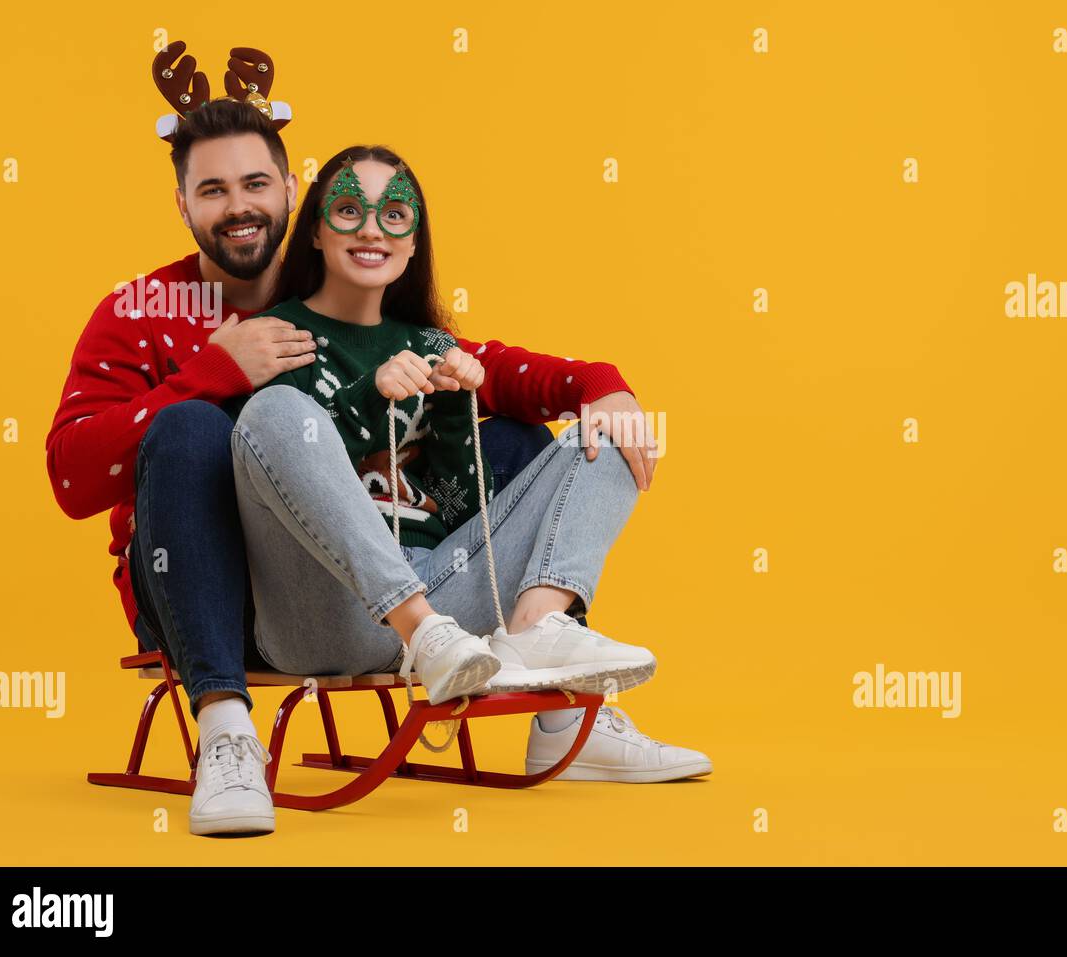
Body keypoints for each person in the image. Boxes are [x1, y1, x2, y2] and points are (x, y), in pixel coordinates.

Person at [44, 47, 707, 838]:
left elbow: (494, 369)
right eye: (212, 189)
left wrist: (602, 385)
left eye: (256, 183)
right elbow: (74, 479)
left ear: (294, 194)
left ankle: (559, 698)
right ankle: (225, 727)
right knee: (193, 428)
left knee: (525, 438)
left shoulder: (341, 290)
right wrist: (211, 373)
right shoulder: (140, 309)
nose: (238, 206)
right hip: (214, 594)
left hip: (377, 575)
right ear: (182, 204)